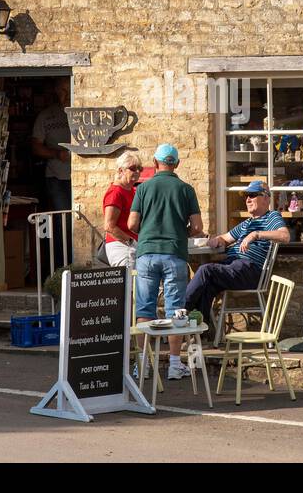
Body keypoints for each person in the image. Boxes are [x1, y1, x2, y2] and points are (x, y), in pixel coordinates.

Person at [128, 144, 204, 380]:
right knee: (175, 310)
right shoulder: (186, 189)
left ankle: (143, 365)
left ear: (154, 162)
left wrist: (148, 232)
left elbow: (131, 225)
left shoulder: (143, 188)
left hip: (147, 254)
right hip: (174, 253)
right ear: (177, 164)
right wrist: (183, 232)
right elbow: (198, 227)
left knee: (144, 309)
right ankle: (173, 364)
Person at [184, 180, 289, 327]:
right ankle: (201, 332)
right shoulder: (247, 223)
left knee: (205, 270)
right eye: (246, 196)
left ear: (266, 198)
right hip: (234, 266)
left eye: (252, 195)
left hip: (250, 270)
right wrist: (215, 240)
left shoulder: (272, 217)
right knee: (207, 285)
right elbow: (225, 238)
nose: (247, 199)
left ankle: (179, 311)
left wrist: (256, 234)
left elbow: (284, 236)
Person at [30, 79, 72, 213]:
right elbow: (36, 147)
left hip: (81, 174)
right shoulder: (46, 116)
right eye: (63, 91)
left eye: (70, 90)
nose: (68, 95)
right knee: (62, 217)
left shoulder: (83, 114)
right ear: (56, 92)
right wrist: (57, 154)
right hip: (57, 176)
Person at [102, 151, 142, 267]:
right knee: (129, 283)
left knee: (134, 283)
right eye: (133, 168)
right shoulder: (115, 192)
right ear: (121, 171)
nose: (138, 172)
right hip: (122, 248)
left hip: (131, 247)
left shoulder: (132, 191)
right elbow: (109, 226)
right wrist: (131, 242)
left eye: (140, 168)